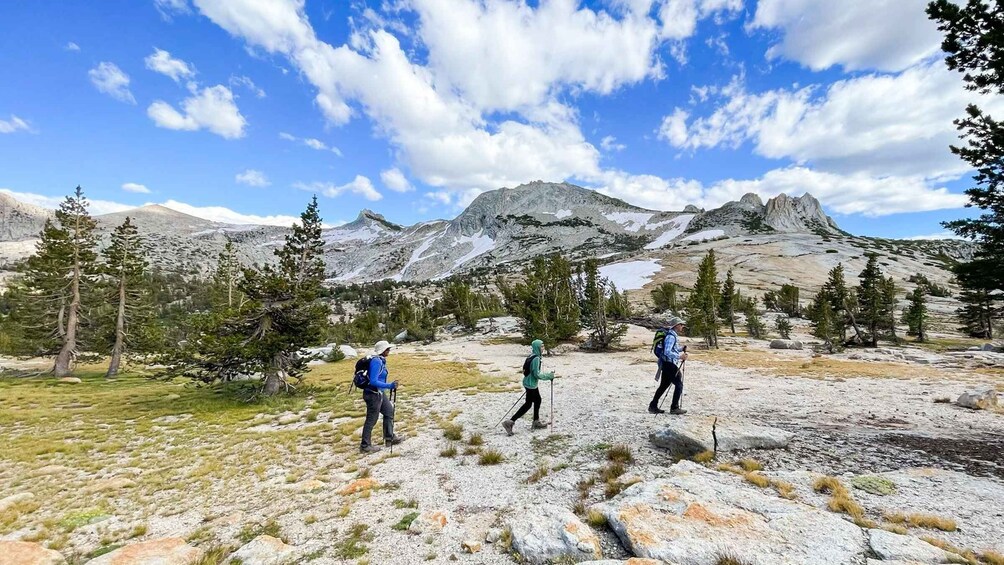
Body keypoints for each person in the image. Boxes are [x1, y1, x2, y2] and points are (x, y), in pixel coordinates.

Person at [503, 339, 556, 435]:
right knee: (528, 404)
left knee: (537, 400)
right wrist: (549, 376)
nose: (543, 348)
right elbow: (537, 375)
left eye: (543, 346)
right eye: (541, 346)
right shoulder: (536, 359)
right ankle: (510, 422)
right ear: (537, 347)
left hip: (529, 383)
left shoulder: (531, 356)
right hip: (531, 385)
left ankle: (536, 421)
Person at [360, 340, 404, 453]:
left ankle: (390, 438)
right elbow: (373, 381)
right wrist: (389, 385)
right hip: (372, 394)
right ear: (382, 350)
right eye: (387, 349)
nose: (389, 350)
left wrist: (387, 386)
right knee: (371, 419)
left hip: (379, 393)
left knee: (389, 411)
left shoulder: (380, 360)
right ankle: (365, 446)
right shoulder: (376, 362)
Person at [650, 316, 688, 415]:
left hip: (666, 364)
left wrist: (681, 348)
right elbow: (667, 351)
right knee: (679, 385)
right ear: (676, 325)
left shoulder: (672, 335)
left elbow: (672, 349)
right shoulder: (671, 336)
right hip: (669, 364)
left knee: (663, 386)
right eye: (681, 324)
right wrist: (680, 356)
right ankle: (674, 407)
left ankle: (653, 406)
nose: (682, 326)